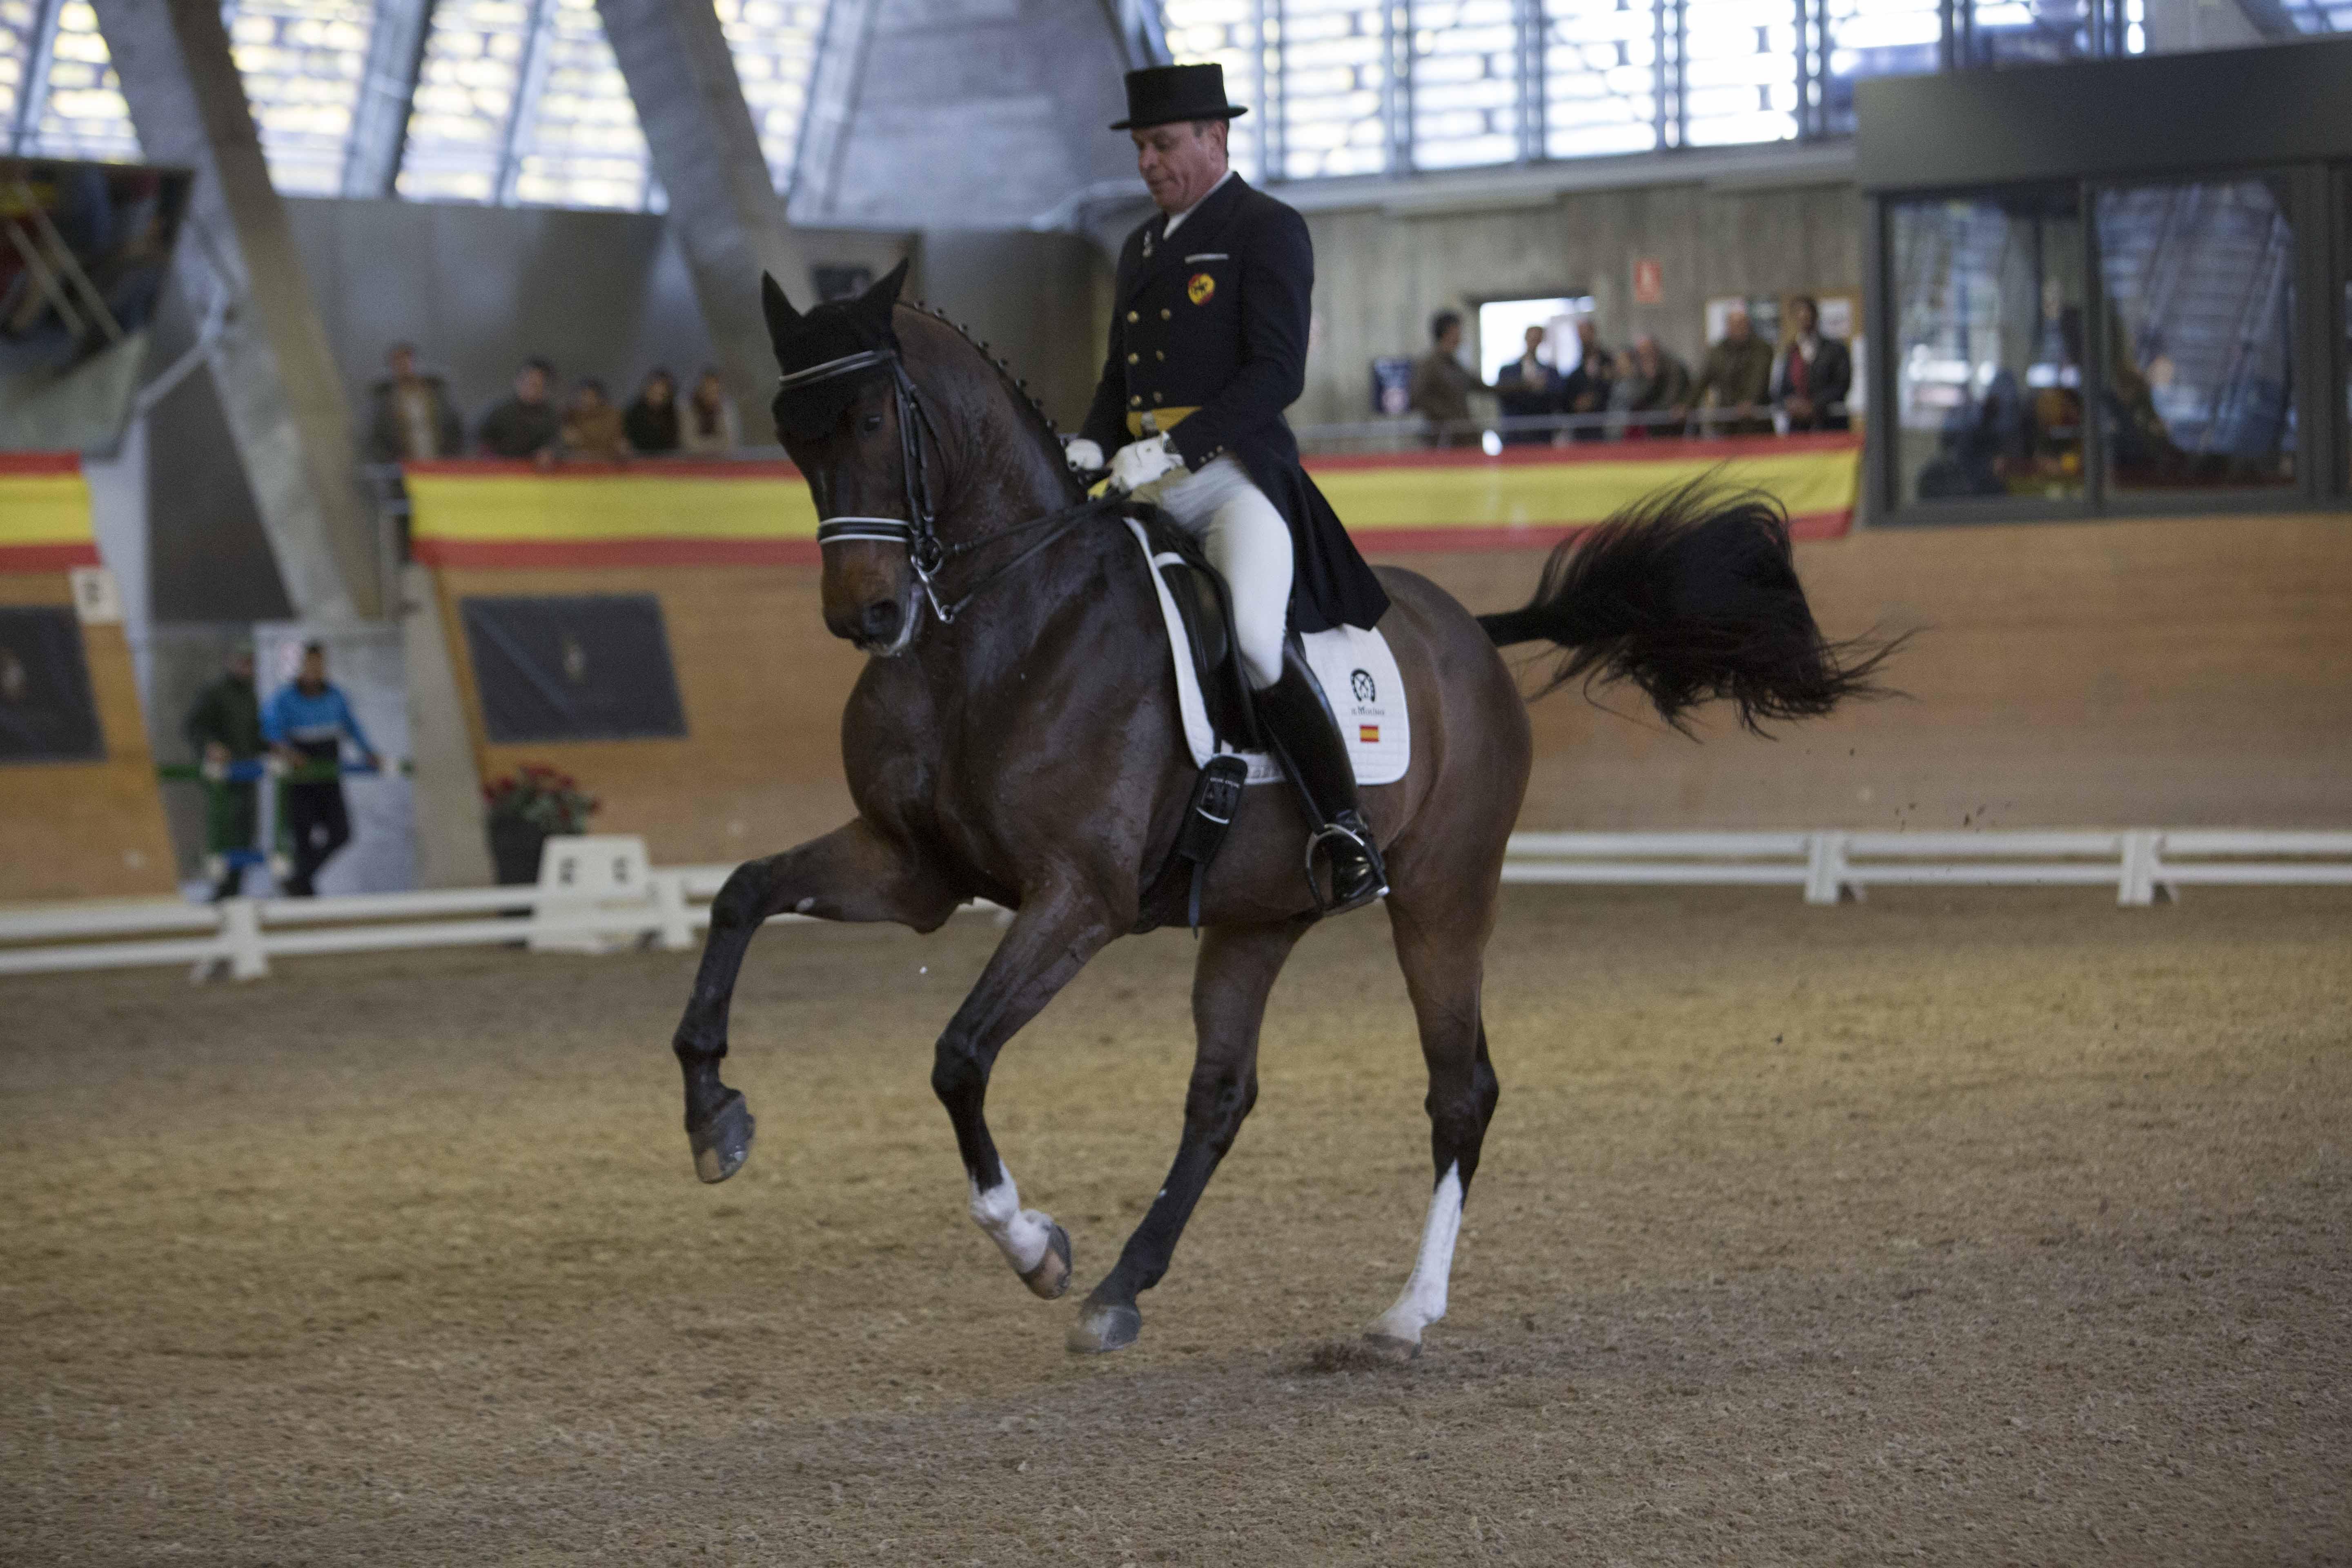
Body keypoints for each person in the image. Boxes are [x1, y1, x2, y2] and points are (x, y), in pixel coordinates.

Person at [1064, 62, 1392, 913]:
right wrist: (1092, 442)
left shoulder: (1267, 228)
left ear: (1215, 138)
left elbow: (1277, 373)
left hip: (1229, 481)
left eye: (1163, 144)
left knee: (1250, 633)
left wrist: (1175, 444)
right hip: (1140, 487)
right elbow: (1117, 377)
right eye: (1140, 147)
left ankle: (1344, 826)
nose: (1148, 162)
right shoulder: (1140, 246)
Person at [261, 642, 380, 898]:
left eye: (319, 665)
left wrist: (368, 751)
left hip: (328, 774)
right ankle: (303, 896)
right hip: (300, 777)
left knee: (341, 832)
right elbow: (270, 729)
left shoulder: (336, 695)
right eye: (310, 665)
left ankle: (300, 879)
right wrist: (286, 751)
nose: (315, 671)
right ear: (301, 667)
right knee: (303, 839)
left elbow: (351, 726)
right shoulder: (285, 698)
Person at [183, 643, 263, 901]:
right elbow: (193, 727)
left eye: (250, 662)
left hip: (247, 775)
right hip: (222, 781)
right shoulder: (214, 692)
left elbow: (255, 735)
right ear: (229, 661)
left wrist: (275, 747)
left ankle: (234, 894)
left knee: (246, 834)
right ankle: (221, 895)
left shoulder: (249, 695)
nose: (246, 667)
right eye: (241, 661)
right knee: (224, 835)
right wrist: (211, 747)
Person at [1681, 306, 1775, 437]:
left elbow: (1759, 377)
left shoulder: (1761, 349)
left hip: (1755, 421)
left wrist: (1749, 401)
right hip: (1726, 421)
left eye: (1741, 325)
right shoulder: (1718, 351)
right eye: (1734, 325)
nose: (1738, 329)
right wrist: (1687, 404)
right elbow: (1703, 380)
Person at [365, 343, 463, 463]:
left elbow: (455, 427)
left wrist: (455, 458)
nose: (403, 366)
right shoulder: (384, 401)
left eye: (407, 360)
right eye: (398, 362)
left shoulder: (436, 394)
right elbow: (377, 437)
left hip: (441, 464)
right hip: (404, 467)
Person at [1774, 296, 1853, 433]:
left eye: (1808, 316)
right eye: (1799, 316)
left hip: (1830, 424)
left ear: (1816, 317)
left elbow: (1842, 385)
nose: (1804, 320)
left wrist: (1814, 405)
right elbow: (1782, 390)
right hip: (1799, 428)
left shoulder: (1835, 349)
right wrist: (1791, 403)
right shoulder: (1792, 351)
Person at [1407, 310, 1481, 448]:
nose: (1462, 336)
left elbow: (1480, 386)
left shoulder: (1456, 365)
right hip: (1443, 440)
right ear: (1449, 332)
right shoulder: (1428, 364)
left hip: (1464, 438)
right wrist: (1448, 418)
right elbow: (1416, 398)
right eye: (1459, 331)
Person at [477, 358, 562, 465]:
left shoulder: (551, 416)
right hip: (499, 474)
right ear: (517, 381)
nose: (529, 389)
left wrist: (551, 452)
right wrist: (490, 457)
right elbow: (478, 439)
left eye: (535, 385)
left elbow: (557, 442)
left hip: (535, 475)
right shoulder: (500, 411)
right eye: (525, 382)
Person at [1491, 324, 1561, 445]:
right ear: (1526, 338)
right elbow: (1503, 395)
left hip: (1541, 435)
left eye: (1537, 338)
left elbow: (1558, 396)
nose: (1534, 342)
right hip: (1515, 435)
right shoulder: (1508, 371)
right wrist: (1527, 386)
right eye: (1531, 338)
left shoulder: (1550, 372)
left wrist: (1542, 386)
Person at [1613, 334, 1692, 439]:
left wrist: (1653, 413)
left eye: (1647, 351)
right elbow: (1637, 398)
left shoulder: (1673, 368)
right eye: (1640, 353)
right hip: (1650, 428)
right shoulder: (1639, 370)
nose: (1644, 356)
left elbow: (1672, 396)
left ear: (1656, 350)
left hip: (1672, 426)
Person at [1558, 318, 1613, 442]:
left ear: (1593, 333)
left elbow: (1612, 388)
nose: (1583, 338)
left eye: (1586, 333)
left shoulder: (1608, 363)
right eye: (1580, 334)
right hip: (1582, 428)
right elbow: (1567, 398)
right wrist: (1576, 404)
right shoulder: (1576, 371)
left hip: (1604, 424)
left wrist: (1594, 398)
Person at [561, 377, 629, 461]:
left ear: (600, 399)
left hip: (609, 465)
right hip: (580, 466)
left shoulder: (613, 417)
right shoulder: (570, 417)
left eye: (589, 396)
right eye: (581, 396)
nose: (584, 400)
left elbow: (620, 444)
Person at [679, 367, 740, 454]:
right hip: (693, 462)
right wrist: (715, 445)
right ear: (700, 389)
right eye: (707, 388)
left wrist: (707, 446)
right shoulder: (688, 409)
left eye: (714, 390)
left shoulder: (726, 409)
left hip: (723, 461)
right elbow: (689, 443)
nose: (710, 393)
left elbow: (729, 442)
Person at [624, 368, 682, 454]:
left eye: (662, 395)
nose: (657, 398)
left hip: (667, 462)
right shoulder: (633, 413)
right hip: (639, 462)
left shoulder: (674, 415)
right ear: (647, 391)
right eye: (654, 392)